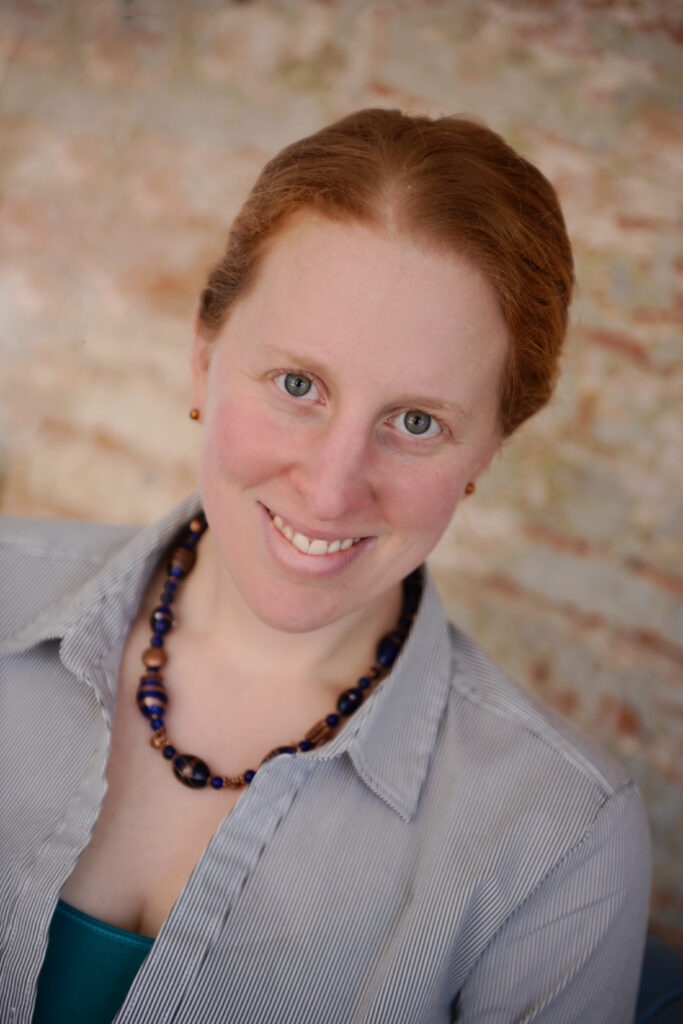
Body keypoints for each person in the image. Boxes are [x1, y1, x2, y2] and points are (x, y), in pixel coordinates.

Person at [0, 108, 650, 1023]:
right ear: (202, 356)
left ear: (488, 451)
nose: (332, 488)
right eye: (297, 385)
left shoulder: (557, 839)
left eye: (416, 422)